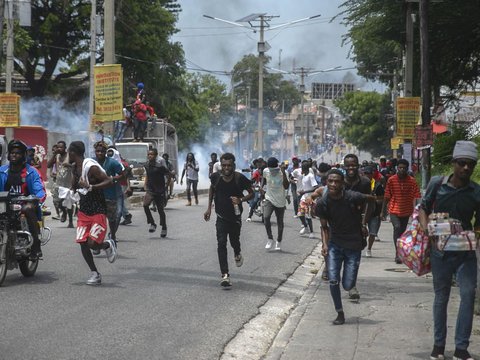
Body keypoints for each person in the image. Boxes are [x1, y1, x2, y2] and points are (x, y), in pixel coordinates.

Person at [418, 141, 480, 360]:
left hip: (465, 253)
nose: (466, 168)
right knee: (441, 297)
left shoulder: (476, 192)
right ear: (454, 163)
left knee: (468, 294)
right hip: (440, 252)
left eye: (471, 165)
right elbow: (423, 208)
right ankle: (438, 346)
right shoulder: (438, 184)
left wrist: (474, 236)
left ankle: (461, 348)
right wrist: (428, 231)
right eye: (462, 163)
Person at [316, 169, 373, 325]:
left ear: (342, 183)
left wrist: (363, 223)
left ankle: (349, 285)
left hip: (354, 245)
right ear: (326, 183)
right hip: (335, 245)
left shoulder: (352, 197)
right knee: (333, 280)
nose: (334, 184)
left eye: (337, 181)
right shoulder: (322, 203)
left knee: (347, 285)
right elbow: (324, 227)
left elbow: (371, 200)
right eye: (330, 181)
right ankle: (339, 313)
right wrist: (325, 244)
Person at [68, 141, 117, 285]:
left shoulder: (91, 167)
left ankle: (106, 245)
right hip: (84, 210)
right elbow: (74, 186)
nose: (67, 156)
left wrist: (91, 186)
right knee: (83, 242)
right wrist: (69, 193)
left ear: (72, 153)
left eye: (68, 153)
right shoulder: (74, 168)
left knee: (93, 244)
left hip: (98, 210)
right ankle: (95, 273)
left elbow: (109, 181)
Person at [204, 152, 253, 287]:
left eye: (229, 165)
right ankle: (225, 275)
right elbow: (212, 190)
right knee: (221, 243)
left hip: (235, 218)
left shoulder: (240, 178)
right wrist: (209, 208)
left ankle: (237, 253)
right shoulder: (216, 177)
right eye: (224, 165)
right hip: (221, 217)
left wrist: (240, 199)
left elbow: (251, 193)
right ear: (221, 165)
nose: (226, 168)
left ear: (233, 165)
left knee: (234, 242)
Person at [0, 140, 46, 260]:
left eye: (18, 153)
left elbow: (39, 189)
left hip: (25, 204)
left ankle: (36, 244)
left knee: (28, 208)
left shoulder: (32, 172)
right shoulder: (2, 171)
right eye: (12, 153)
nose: (14, 155)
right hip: (6, 205)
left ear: (24, 155)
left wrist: (37, 197)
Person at [342, 153, 372, 299]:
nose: (351, 168)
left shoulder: (365, 182)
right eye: (348, 165)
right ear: (344, 167)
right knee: (337, 254)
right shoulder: (338, 182)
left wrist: (364, 223)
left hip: (356, 224)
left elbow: (369, 203)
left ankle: (352, 286)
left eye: (353, 165)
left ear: (358, 165)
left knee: (354, 257)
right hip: (339, 223)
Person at [381, 158, 421, 264]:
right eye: (400, 168)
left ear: (407, 169)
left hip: (406, 211)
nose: (402, 170)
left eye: (404, 168)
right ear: (397, 168)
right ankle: (398, 253)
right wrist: (383, 211)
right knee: (397, 228)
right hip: (394, 209)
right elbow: (387, 196)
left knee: (402, 232)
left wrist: (416, 213)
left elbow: (416, 196)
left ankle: (401, 252)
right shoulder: (391, 180)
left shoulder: (412, 181)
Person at [93, 141, 126, 245]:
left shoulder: (112, 163)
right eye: (98, 151)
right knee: (97, 219)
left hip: (110, 195)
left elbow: (123, 175)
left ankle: (113, 234)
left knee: (112, 219)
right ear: (95, 151)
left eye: (102, 151)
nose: (100, 153)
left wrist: (112, 179)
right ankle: (96, 241)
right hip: (96, 196)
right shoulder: (91, 162)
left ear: (105, 152)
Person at [262, 157, 289, 251]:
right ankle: (270, 238)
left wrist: (284, 172)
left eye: (273, 169)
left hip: (280, 200)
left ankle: (279, 241)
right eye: (270, 169)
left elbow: (286, 186)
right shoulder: (266, 171)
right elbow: (264, 179)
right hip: (269, 198)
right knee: (266, 217)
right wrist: (262, 187)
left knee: (280, 222)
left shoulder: (283, 172)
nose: (271, 171)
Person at [47, 141, 74, 228]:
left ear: (65, 148)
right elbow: (48, 165)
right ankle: (64, 212)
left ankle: (70, 222)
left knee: (69, 203)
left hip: (68, 183)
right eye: (58, 147)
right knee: (57, 202)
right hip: (59, 183)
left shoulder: (70, 155)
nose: (59, 149)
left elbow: (76, 165)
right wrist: (54, 154)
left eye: (61, 147)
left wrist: (69, 165)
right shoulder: (57, 156)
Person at [144, 148, 170, 237]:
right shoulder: (147, 165)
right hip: (150, 189)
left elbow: (169, 174)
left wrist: (166, 185)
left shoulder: (159, 166)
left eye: (151, 154)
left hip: (159, 190)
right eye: (148, 154)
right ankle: (152, 223)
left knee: (160, 210)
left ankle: (164, 227)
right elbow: (147, 175)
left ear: (155, 156)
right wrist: (145, 185)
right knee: (145, 205)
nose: (149, 156)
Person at [362, 166, 384, 258]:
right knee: (360, 231)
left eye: (369, 174)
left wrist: (373, 199)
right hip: (362, 212)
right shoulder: (360, 185)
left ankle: (369, 249)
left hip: (374, 212)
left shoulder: (378, 185)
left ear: (372, 174)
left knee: (372, 232)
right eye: (365, 174)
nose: (367, 175)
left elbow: (382, 199)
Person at [296, 160, 318, 238]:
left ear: (306, 168)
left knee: (308, 216)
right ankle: (305, 227)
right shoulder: (304, 176)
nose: (301, 169)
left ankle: (311, 232)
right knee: (300, 214)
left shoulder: (310, 176)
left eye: (303, 167)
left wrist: (304, 191)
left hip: (309, 198)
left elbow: (315, 187)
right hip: (303, 198)